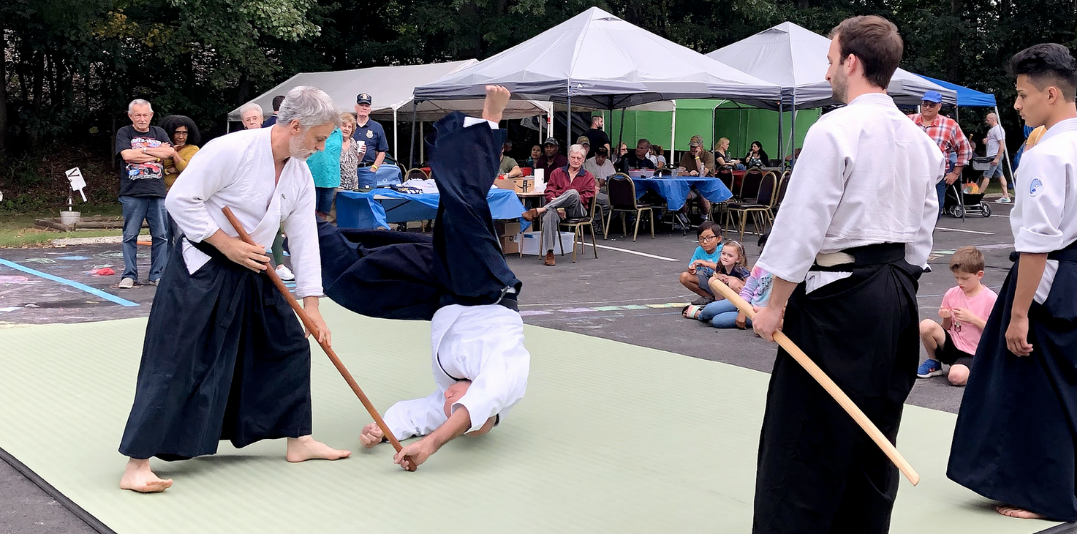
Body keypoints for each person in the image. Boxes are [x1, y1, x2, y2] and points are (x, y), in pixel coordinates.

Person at [749, 16, 943, 533]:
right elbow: (923, 230)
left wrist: (773, 303)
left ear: (851, 62)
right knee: (873, 425)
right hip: (896, 294)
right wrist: (904, 283)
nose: (827, 68)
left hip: (836, 301)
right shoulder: (919, 139)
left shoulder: (835, 128)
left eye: (830, 58)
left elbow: (802, 222)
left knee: (807, 435)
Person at [117, 86, 348, 493]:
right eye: (317, 138)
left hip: (255, 267)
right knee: (177, 355)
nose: (319, 147)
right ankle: (137, 464)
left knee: (289, 345)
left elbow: (304, 236)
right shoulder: (231, 150)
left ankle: (300, 439)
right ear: (295, 126)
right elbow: (180, 200)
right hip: (203, 265)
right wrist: (225, 243)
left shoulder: (297, 172)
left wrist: (312, 304)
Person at [315, 86, 529, 469]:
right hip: (484, 289)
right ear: (473, 408)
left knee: (363, 285)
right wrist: (431, 445)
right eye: (455, 409)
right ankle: (490, 122)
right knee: (462, 209)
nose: (445, 403)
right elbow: (470, 409)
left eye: (444, 410)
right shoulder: (505, 379)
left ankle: (313, 228)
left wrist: (381, 428)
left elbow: (414, 415)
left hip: (439, 294)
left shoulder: (448, 396)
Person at [948, 43, 1077, 522]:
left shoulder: (1049, 154)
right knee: (1065, 380)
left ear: (1050, 93)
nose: (1017, 105)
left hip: (1049, 273)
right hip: (1070, 272)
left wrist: (1019, 313)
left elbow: (1038, 240)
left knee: (1031, 382)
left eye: (1022, 96)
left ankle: (1042, 491)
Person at [916, 246, 997, 386]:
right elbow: (946, 328)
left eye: (965, 278)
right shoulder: (952, 293)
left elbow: (996, 332)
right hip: (953, 344)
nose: (960, 282)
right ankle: (934, 362)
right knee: (926, 325)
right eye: (957, 278)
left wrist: (972, 318)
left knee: (956, 377)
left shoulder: (990, 298)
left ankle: (981, 368)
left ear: (979, 275)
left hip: (973, 351)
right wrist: (946, 317)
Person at [115, 98, 173, 289]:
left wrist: (144, 150)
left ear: (151, 115)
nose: (141, 119)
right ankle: (129, 275)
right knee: (130, 236)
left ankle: (157, 274)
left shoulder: (160, 132)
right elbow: (127, 155)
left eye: (145, 115)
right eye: (137, 115)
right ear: (130, 116)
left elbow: (169, 153)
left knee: (161, 236)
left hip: (157, 192)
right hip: (132, 192)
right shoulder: (124, 132)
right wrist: (156, 152)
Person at [522, 144, 595, 266]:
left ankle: (540, 210)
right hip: (556, 209)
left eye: (579, 158)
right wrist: (558, 205)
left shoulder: (588, 177)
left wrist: (564, 203)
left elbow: (586, 197)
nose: (576, 161)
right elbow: (549, 191)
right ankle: (550, 252)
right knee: (550, 213)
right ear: (568, 157)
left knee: (573, 193)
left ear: (583, 159)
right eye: (573, 157)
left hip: (577, 210)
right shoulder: (557, 173)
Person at [909, 90, 973, 216]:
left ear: (939, 106)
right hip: (911, 176)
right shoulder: (908, 121)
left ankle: (929, 235)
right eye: (925, 103)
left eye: (932, 105)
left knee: (934, 213)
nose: (927, 107)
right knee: (909, 213)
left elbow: (965, 149)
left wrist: (955, 174)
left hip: (936, 179)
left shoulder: (950, 125)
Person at [159, 115, 201, 259]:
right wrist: (169, 167)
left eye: (184, 133)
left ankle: (183, 266)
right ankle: (165, 269)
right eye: (177, 133)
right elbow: (157, 165)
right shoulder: (161, 148)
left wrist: (173, 154)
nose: (181, 136)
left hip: (181, 198)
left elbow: (187, 168)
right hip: (162, 195)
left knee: (180, 234)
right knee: (163, 235)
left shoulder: (193, 149)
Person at [687, 262, 771, 329]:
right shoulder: (761, 266)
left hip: (761, 313)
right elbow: (748, 289)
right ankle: (700, 315)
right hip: (747, 303)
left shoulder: (782, 274)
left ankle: (704, 316)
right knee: (710, 309)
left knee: (718, 321)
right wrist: (743, 310)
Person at [678, 221, 725, 305]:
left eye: (709, 238)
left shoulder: (724, 250)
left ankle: (724, 300)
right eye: (701, 238)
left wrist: (707, 264)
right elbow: (691, 267)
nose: (705, 242)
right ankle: (708, 297)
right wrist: (692, 269)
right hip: (709, 281)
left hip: (724, 283)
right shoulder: (699, 250)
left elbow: (725, 270)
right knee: (684, 276)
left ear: (718, 239)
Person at [352, 92, 392, 187]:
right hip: (350, 170)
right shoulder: (349, 125)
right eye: (361, 105)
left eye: (367, 105)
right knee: (350, 199)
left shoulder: (377, 127)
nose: (364, 108)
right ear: (356, 107)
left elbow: (382, 151)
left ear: (370, 110)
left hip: (368, 170)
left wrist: (374, 168)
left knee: (368, 199)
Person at [307, 125, 343, 219]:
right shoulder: (314, 127)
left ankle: (321, 233)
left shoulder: (338, 132)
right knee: (310, 211)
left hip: (330, 178)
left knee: (324, 212)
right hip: (313, 175)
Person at [977, 113, 1010, 202]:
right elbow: (992, 142)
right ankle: (1006, 196)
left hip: (995, 155)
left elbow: (1002, 145)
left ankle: (978, 196)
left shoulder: (998, 130)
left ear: (992, 119)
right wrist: (986, 141)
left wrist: (997, 158)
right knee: (1000, 174)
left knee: (987, 175)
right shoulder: (991, 130)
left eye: (988, 120)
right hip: (993, 154)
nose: (986, 121)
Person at [339, 112, 361, 191]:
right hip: (338, 186)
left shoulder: (353, 142)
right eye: (344, 126)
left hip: (353, 186)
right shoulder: (335, 142)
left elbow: (356, 162)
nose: (346, 129)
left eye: (349, 127)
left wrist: (361, 154)